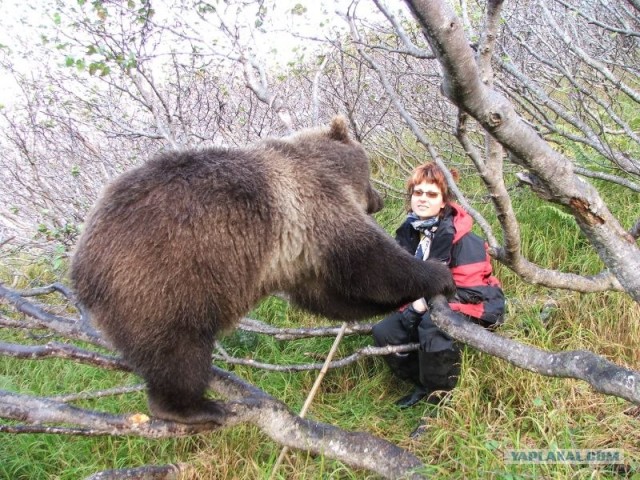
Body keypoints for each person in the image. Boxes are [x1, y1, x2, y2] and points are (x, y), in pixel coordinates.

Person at [372, 162, 505, 412]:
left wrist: (425, 304)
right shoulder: (410, 232)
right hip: (427, 303)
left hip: (477, 305)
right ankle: (422, 383)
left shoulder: (462, 239)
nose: (423, 199)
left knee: (433, 325)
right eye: (418, 192)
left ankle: (440, 402)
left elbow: (474, 290)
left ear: (443, 201)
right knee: (384, 332)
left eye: (431, 194)